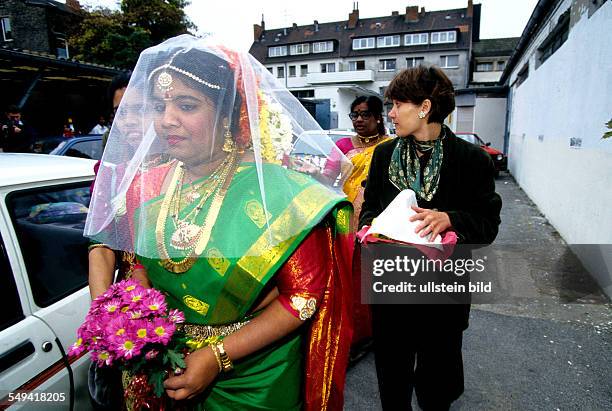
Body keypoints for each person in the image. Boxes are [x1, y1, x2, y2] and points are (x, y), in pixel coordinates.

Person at [84, 35, 354, 410]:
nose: (166, 120)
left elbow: (303, 298)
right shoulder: (146, 186)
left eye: (186, 105)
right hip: (165, 367)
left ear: (228, 113)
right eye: (159, 106)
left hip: (254, 378)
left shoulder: (281, 194)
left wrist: (216, 356)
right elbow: (135, 266)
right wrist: (132, 323)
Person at [359, 66, 502, 410]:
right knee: (392, 383)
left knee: (437, 386)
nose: (389, 114)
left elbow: (488, 222)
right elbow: (369, 210)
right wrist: (374, 228)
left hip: (442, 297)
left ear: (424, 107)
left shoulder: (471, 160)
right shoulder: (383, 155)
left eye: (396, 104)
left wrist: (450, 218)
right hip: (392, 287)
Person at [335, 96, 391, 353]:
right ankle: (352, 331)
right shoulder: (343, 145)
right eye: (354, 114)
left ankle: (376, 330)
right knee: (348, 275)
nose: (358, 119)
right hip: (345, 218)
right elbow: (328, 176)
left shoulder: (392, 146)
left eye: (365, 114)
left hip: (380, 219)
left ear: (379, 117)